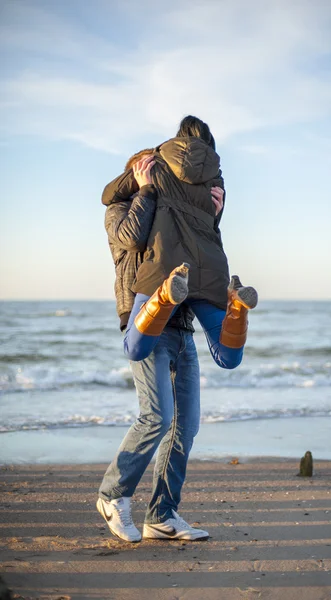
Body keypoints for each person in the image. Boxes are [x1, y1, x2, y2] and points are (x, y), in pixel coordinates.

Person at [97, 146, 225, 542]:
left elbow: (199, 261)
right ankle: (112, 495)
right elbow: (132, 240)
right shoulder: (119, 208)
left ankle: (163, 514)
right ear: (136, 171)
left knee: (185, 425)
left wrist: (213, 216)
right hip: (146, 324)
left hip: (182, 327)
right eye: (152, 169)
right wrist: (146, 190)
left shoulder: (176, 210)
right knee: (156, 416)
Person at [123, 116, 258, 369]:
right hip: (211, 271)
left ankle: (164, 297)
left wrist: (144, 186)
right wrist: (214, 216)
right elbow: (209, 230)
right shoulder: (216, 180)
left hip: (166, 268)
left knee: (134, 348)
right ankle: (238, 306)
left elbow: (108, 194)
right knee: (228, 358)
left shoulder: (155, 163)